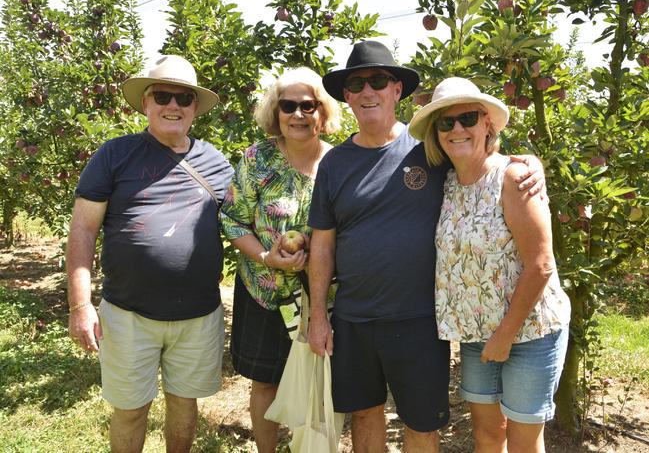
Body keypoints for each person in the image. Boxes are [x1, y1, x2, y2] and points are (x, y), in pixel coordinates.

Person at [307, 40, 546, 453]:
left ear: (396, 90)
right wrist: (317, 315)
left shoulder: (430, 150)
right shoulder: (334, 163)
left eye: (378, 81)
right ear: (346, 96)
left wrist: (527, 162)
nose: (368, 91)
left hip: (419, 320)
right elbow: (323, 246)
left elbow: (482, 157)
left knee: (420, 424)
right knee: (364, 414)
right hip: (354, 318)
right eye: (357, 84)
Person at [66, 54, 234, 453]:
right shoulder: (114, 155)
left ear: (195, 108)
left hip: (198, 314)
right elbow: (83, 229)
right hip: (128, 315)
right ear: (145, 103)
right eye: (162, 95)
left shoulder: (217, 163)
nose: (172, 105)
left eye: (183, 98)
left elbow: (245, 223)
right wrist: (80, 305)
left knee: (184, 403)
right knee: (129, 409)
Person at [409, 77, 571, 453]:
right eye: (446, 123)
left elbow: (541, 264)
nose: (457, 129)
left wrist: (504, 336)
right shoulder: (444, 182)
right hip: (475, 332)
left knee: (523, 440)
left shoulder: (514, 178)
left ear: (487, 124)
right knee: (487, 434)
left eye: (466, 118)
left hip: (530, 332)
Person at [220, 67, 341, 453]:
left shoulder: (340, 163)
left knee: (319, 381)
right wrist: (266, 256)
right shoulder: (258, 159)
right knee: (266, 381)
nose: (298, 115)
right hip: (265, 293)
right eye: (288, 105)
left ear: (322, 113)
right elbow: (231, 217)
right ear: (276, 112)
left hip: (321, 298)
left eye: (309, 105)